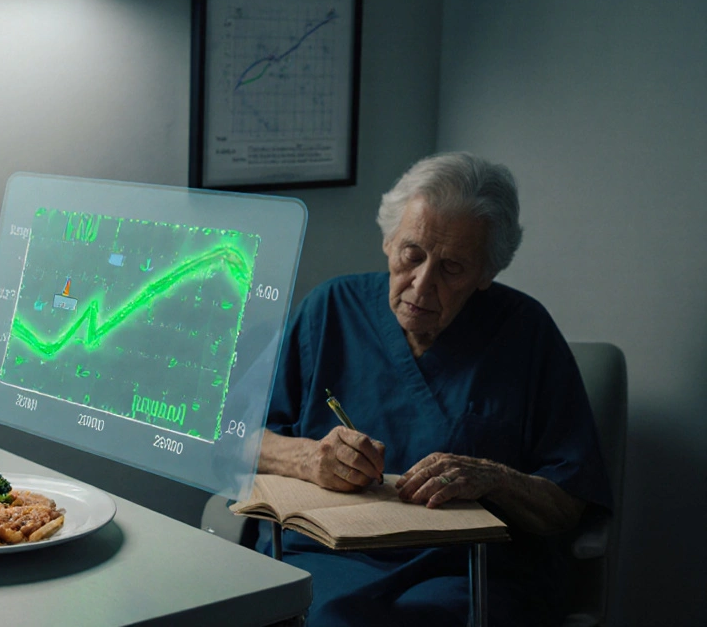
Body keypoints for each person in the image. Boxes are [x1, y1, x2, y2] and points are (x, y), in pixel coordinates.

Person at [258, 152, 611, 626]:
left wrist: (496, 478)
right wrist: (305, 457)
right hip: (328, 558)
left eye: (452, 268)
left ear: (488, 272)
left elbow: (568, 503)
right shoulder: (329, 310)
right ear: (388, 241)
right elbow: (236, 440)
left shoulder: (527, 334)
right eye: (412, 255)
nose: (421, 287)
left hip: (467, 572)